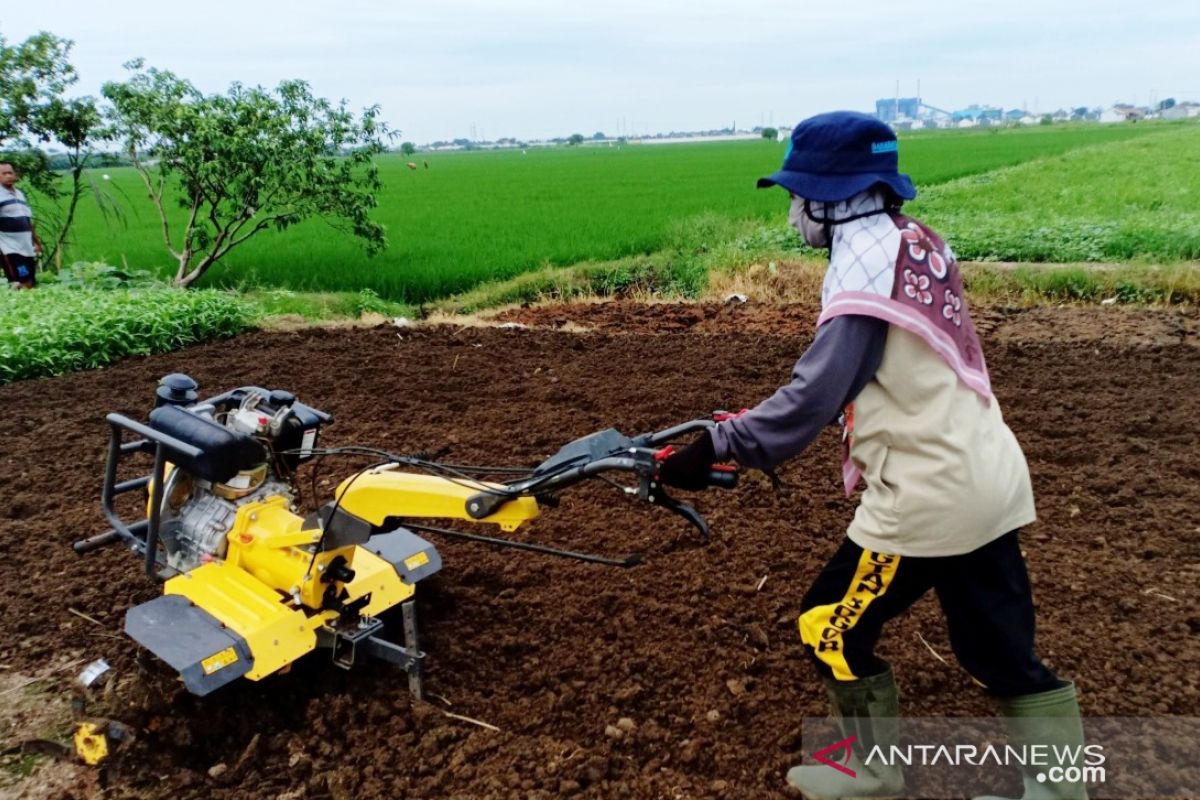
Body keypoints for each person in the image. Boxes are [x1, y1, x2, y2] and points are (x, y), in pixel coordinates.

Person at [658, 111, 1086, 800]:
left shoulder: (864, 273)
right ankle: (1062, 791)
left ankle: (872, 773)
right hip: (987, 477)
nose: (795, 211)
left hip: (928, 498)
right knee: (1002, 655)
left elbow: (813, 397)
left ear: (833, 197)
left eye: (800, 196)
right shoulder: (913, 242)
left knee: (827, 622)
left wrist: (718, 445)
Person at [0, 161, 43, 289]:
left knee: (31, 281)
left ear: (15, 175)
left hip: (26, 245)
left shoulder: (19, 194)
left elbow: (27, 220)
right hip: (10, 247)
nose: (8, 176)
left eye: (10, 173)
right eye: (4, 173)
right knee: (21, 280)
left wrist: (36, 242)